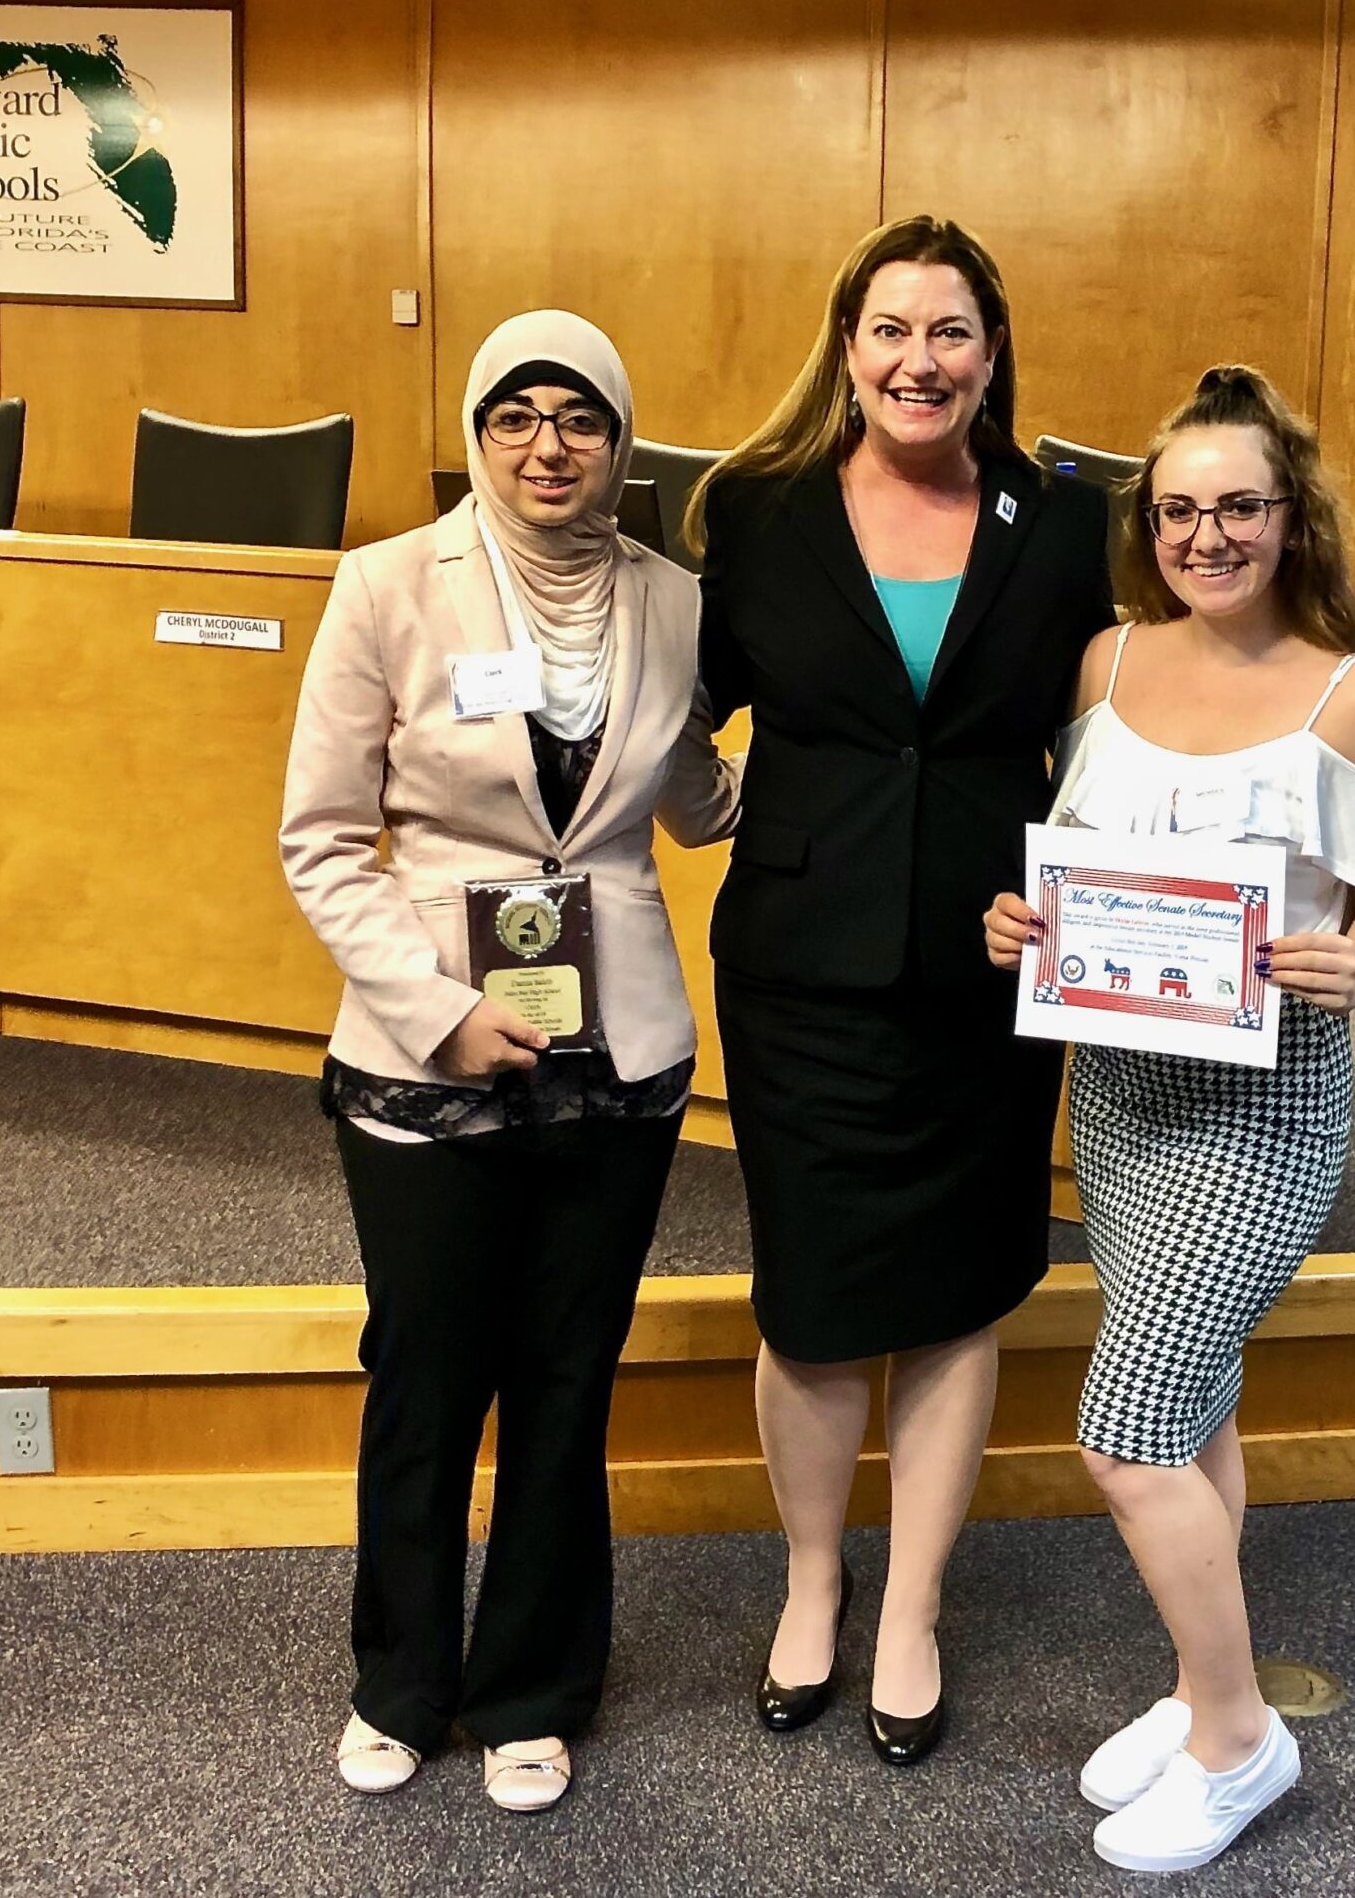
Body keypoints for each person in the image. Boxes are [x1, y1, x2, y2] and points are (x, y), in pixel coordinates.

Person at [280, 310, 741, 1811]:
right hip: (429, 1050)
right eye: (516, 418)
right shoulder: (385, 585)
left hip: (620, 1049)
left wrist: (846, 754)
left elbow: (693, 798)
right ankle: (401, 1681)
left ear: (622, 441)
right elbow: (320, 839)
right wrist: (436, 1009)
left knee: (564, 1373)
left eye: (581, 419)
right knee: (427, 1371)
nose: (549, 447)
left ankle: (532, 1686)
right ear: (480, 435)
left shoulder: (673, 600)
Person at [985, 364, 1355, 1872]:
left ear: (1291, 515)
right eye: (1180, 510)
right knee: (1199, 1406)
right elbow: (1075, 864)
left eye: (1240, 505)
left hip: (1266, 1102)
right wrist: (1024, 924)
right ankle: (1196, 1692)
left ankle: (1242, 1742)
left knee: (1128, 1431)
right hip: (1120, 1090)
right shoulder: (1105, 663)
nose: (1208, 535)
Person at [685, 215, 1113, 1764]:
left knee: (954, 1288)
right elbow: (679, 704)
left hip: (992, 969)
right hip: (800, 972)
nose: (918, 361)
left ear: (992, 355)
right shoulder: (760, 509)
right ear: (848, 348)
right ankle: (815, 1581)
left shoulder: (1064, 525)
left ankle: (913, 1607)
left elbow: (1114, 738)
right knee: (810, 1303)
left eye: (950, 332)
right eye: (891, 330)